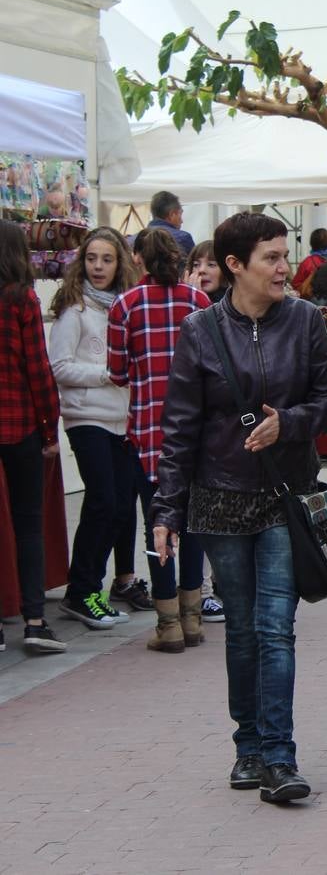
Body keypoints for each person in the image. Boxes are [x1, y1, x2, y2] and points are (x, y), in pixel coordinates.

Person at [152, 211, 327, 804]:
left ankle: (281, 758)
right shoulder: (200, 331)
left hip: (285, 497)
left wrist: (288, 424)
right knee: (241, 630)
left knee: (275, 629)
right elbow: (181, 424)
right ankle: (248, 747)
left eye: (285, 255)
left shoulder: (306, 321)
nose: (284, 267)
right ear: (235, 265)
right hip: (219, 499)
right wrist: (166, 511)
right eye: (270, 257)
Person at [108, 227, 211, 652]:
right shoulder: (199, 302)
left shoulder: (125, 306)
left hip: (150, 432)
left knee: (158, 525)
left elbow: (117, 372)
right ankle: (192, 617)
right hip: (199, 432)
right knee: (194, 522)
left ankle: (167, 622)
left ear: (139, 260)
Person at [49, 227, 141, 630]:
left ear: (119, 262)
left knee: (120, 507)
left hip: (121, 420)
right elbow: (60, 366)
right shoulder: (76, 309)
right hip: (86, 418)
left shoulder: (124, 306)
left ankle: (90, 589)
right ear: (81, 262)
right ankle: (81, 590)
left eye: (106, 259)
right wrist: (108, 374)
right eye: (91, 259)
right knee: (103, 502)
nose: (98, 267)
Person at [0, 220, 66, 653]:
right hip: (19, 424)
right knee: (28, 524)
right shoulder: (21, 299)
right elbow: (37, 369)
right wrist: (49, 426)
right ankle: (35, 620)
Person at [182, 240, 227, 624]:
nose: (204, 270)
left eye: (211, 263)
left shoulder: (229, 310)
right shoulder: (191, 310)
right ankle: (205, 591)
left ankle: (219, 586)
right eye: (197, 263)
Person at [147, 190, 194, 257]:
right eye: (180, 214)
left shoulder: (132, 240)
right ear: (172, 214)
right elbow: (192, 265)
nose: (181, 221)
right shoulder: (183, 238)